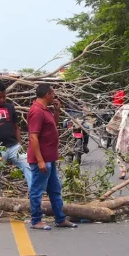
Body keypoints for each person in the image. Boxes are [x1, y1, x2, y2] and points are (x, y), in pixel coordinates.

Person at [26, 84, 77, 230]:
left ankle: (60, 219)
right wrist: (40, 160)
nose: (54, 96)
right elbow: (33, 137)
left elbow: (52, 126)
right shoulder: (36, 111)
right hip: (42, 160)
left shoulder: (45, 110)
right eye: (53, 94)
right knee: (37, 191)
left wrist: (57, 111)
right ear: (47, 94)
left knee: (55, 189)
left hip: (50, 158)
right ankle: (36, 221)